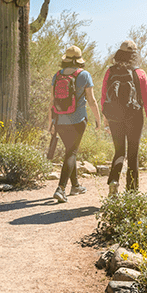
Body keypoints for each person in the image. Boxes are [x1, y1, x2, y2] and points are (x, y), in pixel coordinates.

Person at [100, 39, 147, 195]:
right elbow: (146, 99)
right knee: (133, 154)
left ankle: (113, 181)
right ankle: (131, 192)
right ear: (134, 56)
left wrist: (106, 116)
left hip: (114, 117)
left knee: (119, 151)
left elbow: (104, 95)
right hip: (135, 116)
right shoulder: (140, 73)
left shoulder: (110, 72)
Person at [50, 45, 102, 203]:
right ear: (79, 60)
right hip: (78, 120)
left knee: (69, 151)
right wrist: (98, 119)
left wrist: (51, 122)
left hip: (59, 120)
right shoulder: (84, 75)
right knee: (71, 153)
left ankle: (76, 186)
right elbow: (92, 101)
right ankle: (60, 188)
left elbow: (52, 101)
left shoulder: (57, 75)